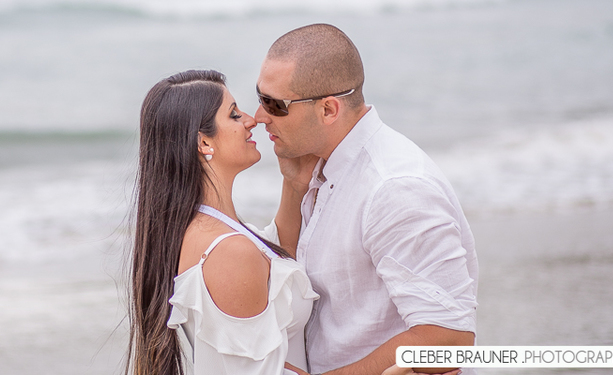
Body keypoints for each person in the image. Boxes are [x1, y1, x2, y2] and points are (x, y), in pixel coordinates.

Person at [255, 24, 478, 375]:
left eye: (274, 105)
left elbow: (449, 339)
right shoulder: (324, 164)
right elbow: (294, 272)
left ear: (328, 110)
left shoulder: (394, 188)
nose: (259, 117)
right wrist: (295, 187)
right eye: (259, 97)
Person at [127, 69, 318, 375]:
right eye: (234, 115)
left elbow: (274, 257)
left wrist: (294, 184)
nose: (251, 120)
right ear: (204, 142)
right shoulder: (229, 251)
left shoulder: (207, 229)